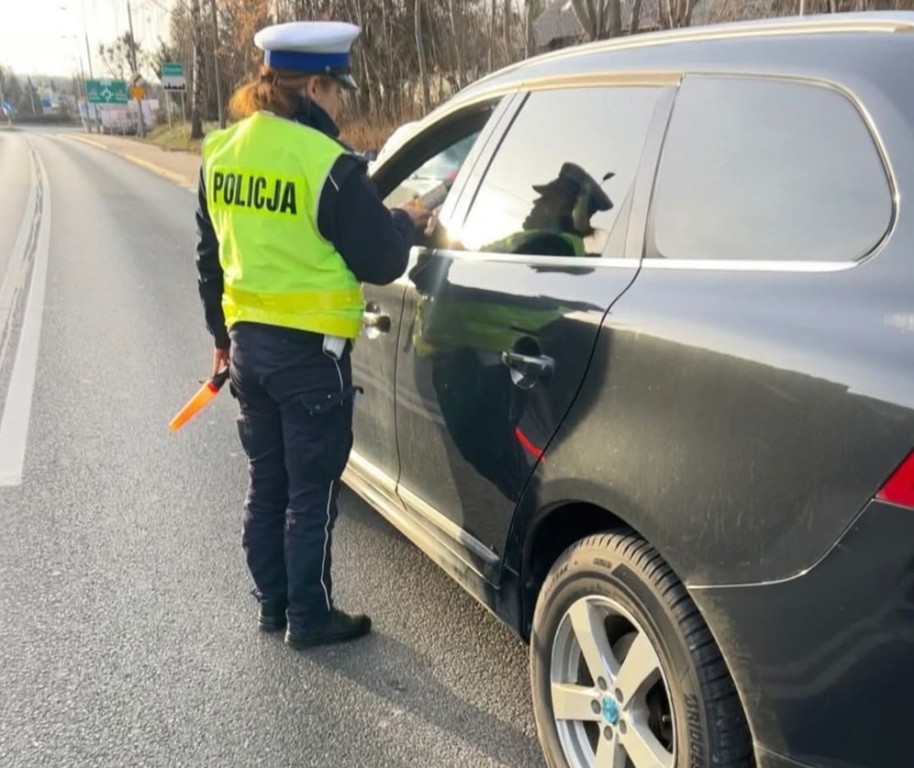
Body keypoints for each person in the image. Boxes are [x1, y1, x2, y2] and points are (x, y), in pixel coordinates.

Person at [194, 20, 431, 649]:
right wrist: (407, 220)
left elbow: (209, 258)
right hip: (309, 357)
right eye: (340, 90)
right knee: (310, 492)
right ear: (318, 87)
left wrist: (221, 336)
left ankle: (273, 606)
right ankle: (310, 616)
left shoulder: (221, 151)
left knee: (267, 483)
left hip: (249, 352)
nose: (343, 103)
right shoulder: (327, 163)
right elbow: (382, 258)